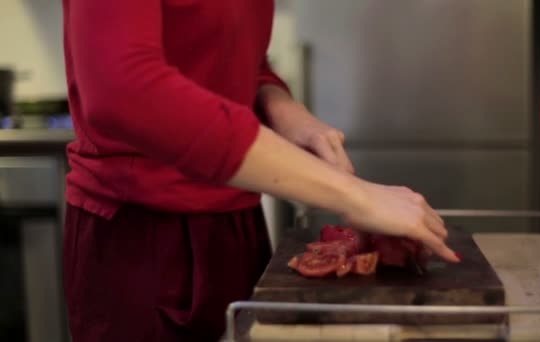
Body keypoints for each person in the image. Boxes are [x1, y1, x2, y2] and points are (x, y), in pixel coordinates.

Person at [61, 0, 460, 341]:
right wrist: (353, 194)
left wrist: (284, 111)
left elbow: (227, 56)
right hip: (140, 241)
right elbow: (124, 91)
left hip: (236, 226)